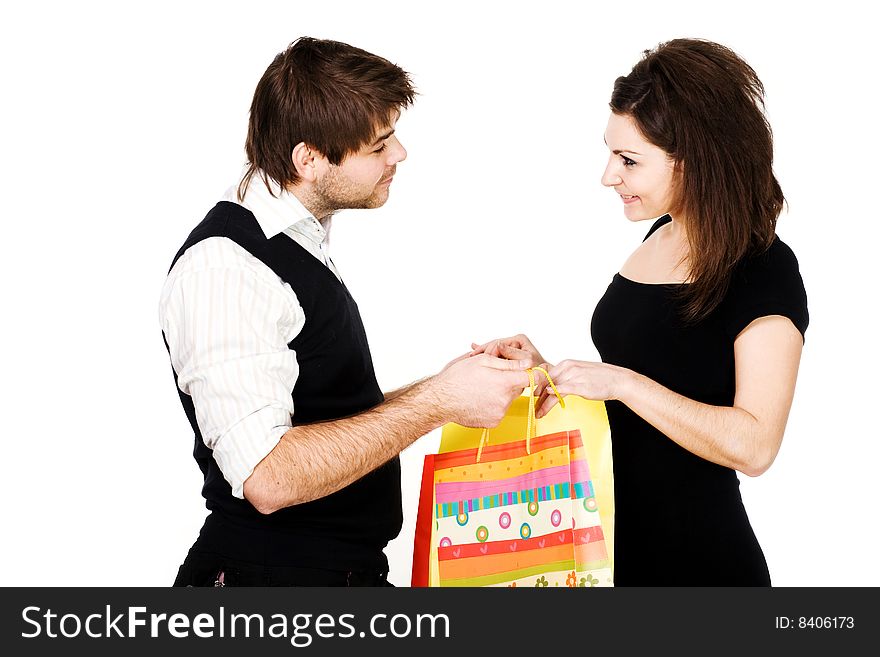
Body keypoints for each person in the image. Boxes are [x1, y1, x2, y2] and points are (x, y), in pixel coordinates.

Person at [159, 37, 530, 587]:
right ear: (308, 159)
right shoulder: (226, 270)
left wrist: (455, 386)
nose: (399, 154)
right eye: (378, 146)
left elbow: (326, 415)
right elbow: (267, 476)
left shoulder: (294, 244)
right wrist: (436, 403)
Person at [475, 39, 808, 585]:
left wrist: (622, 383)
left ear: (697, 160)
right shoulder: (662, 232)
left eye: (629, 160)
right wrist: (549, 373)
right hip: (609, 553)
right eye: (611, 153)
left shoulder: (763, 267)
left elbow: (755, 445)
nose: (608, 176)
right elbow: (644, 395)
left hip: (700, 566)